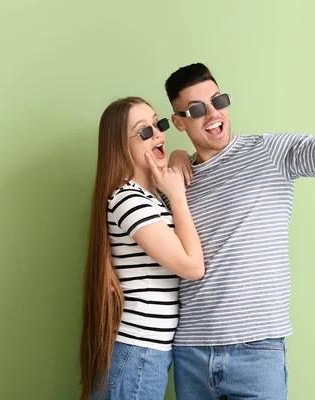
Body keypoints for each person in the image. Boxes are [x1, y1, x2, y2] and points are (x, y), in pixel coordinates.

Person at [164, 35, 315, 399]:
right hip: (190, 352)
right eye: (198, 109)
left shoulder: (271, 153)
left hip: (257, 351)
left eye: (218, 101)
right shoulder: (176, 183)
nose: (214, 114)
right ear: (180, 121)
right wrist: (174, 156)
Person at [79, 96, 205, 400]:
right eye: (144, 131)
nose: (158, 134)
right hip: (138, 351)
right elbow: (192, 267)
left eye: (158, 124)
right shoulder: (128, 199)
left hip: (147, 351)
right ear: (121, 146)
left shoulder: (148, 197)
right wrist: (177, 198)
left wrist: (176, 155)